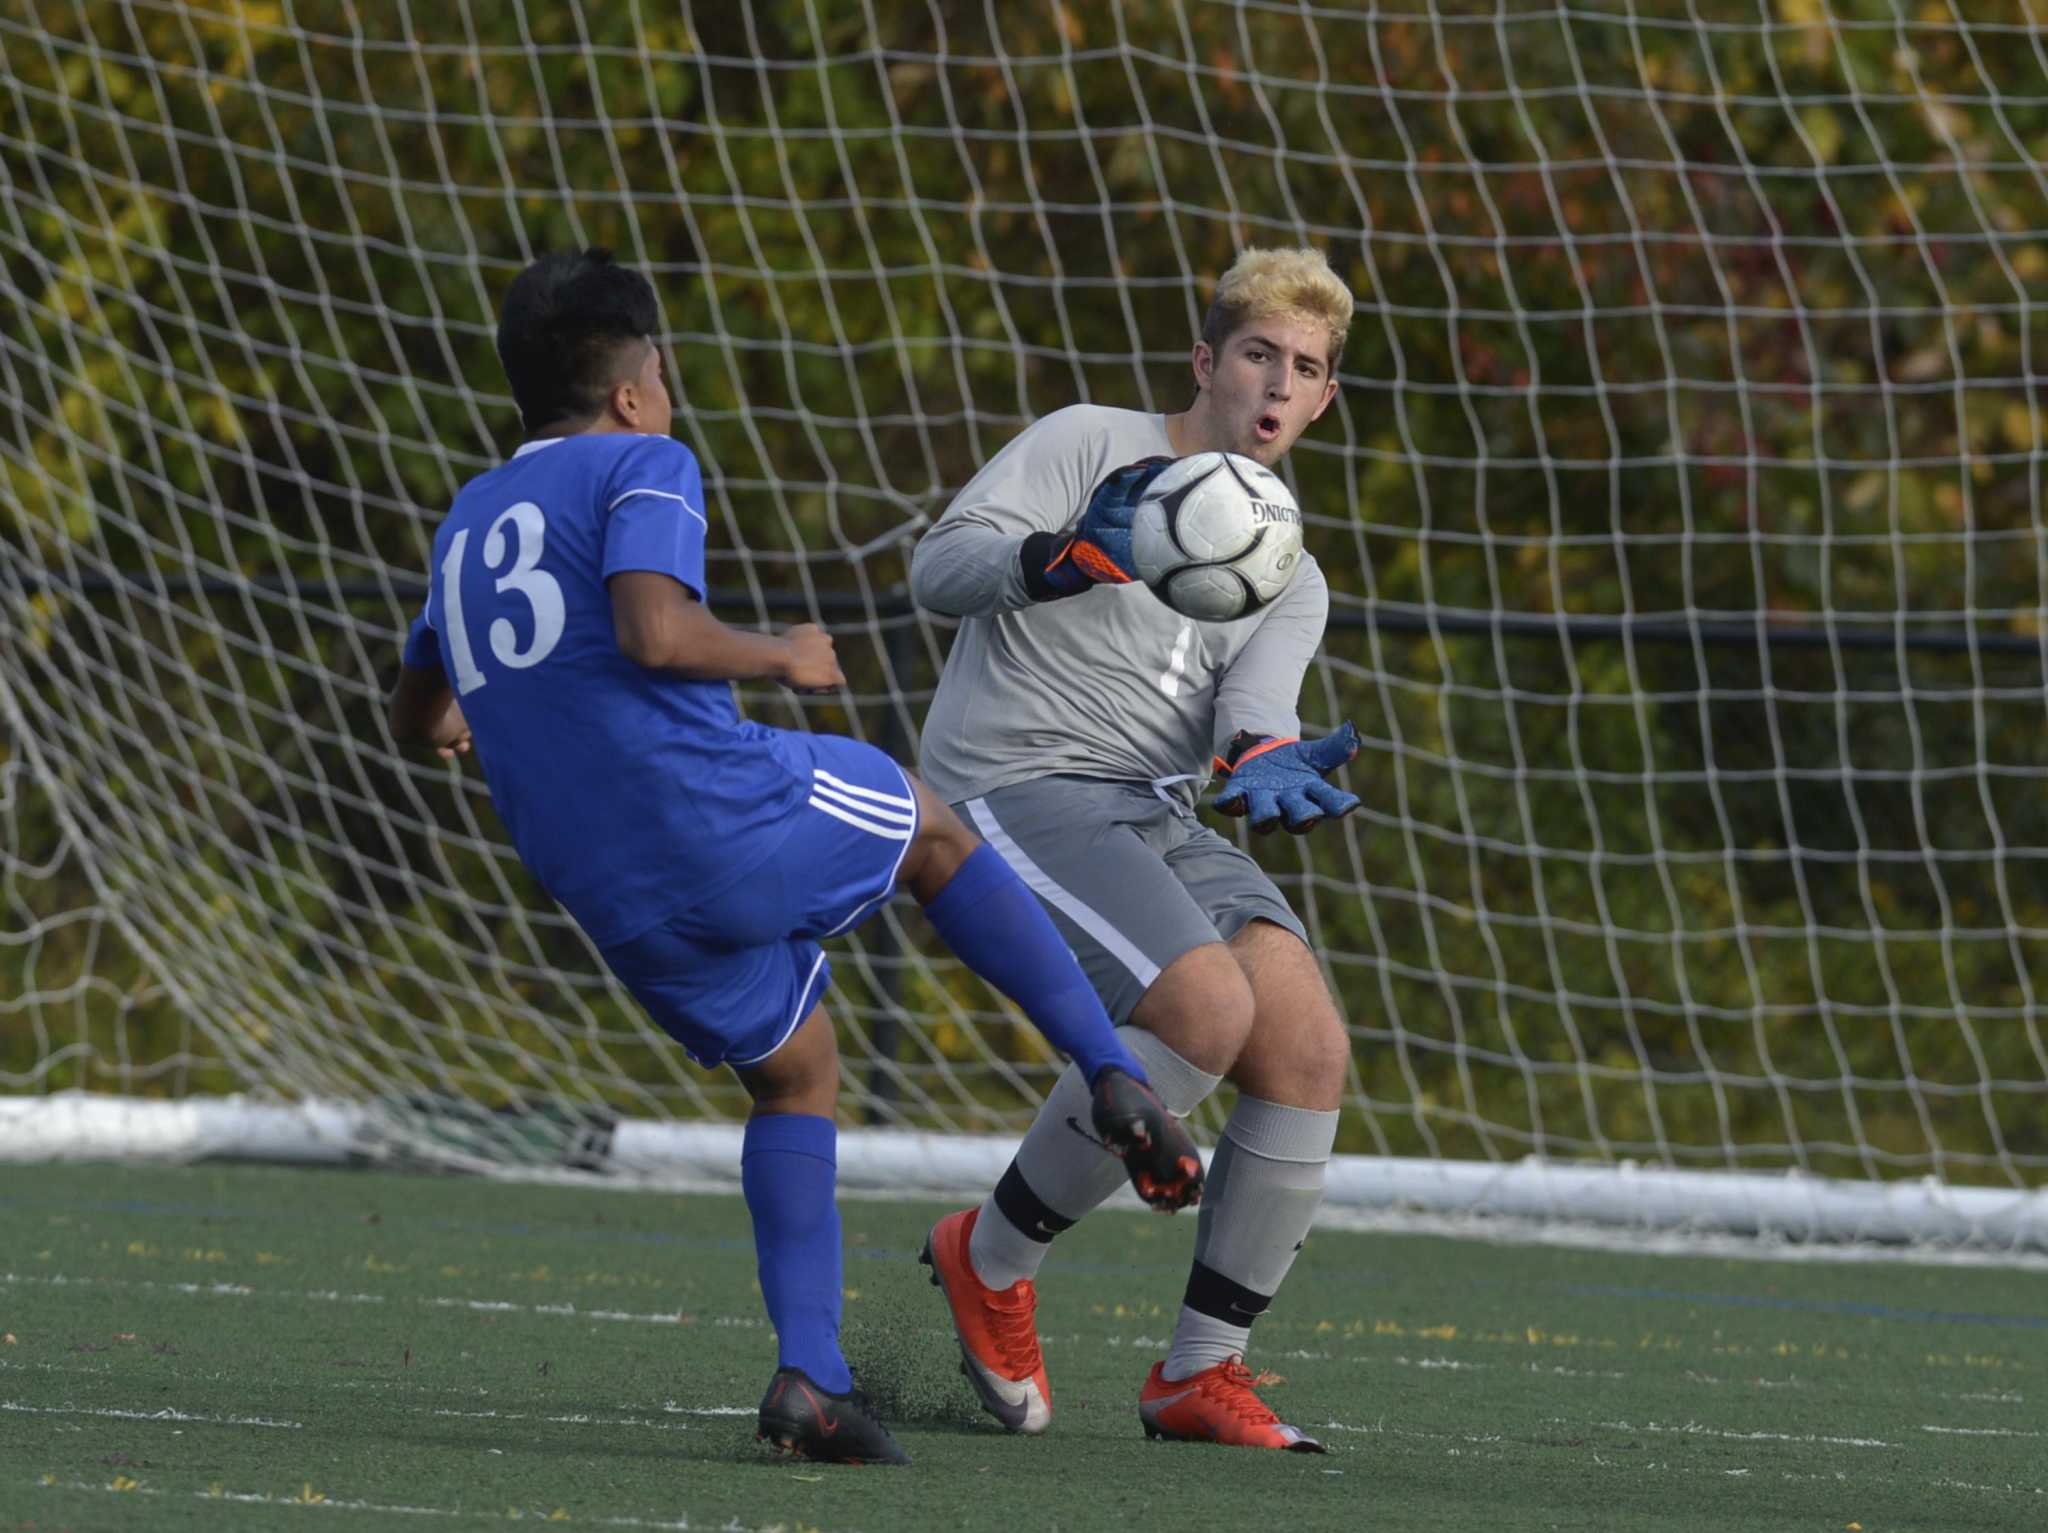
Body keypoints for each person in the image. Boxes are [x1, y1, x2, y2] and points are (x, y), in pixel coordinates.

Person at [385, 248, 1203, 1468]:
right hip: (710, 810)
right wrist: (781, 656)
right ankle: (1106, 1070)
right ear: (629, 387)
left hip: (609, 896)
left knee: (795, 1072)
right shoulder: (643, 461)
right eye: (658, 370)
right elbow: (654, 634)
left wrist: (456, 721)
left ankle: (810, 1380)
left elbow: (414, 709)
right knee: (930, 831)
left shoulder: (464, 525)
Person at [909, 246, 1361, 1452]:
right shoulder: (1084, 443)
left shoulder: (1290, 570)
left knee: (1304, 1044)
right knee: (1200, 1009)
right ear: (1205, 362)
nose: (1276, 385)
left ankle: (1198, 1376)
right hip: (1006, 782)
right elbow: (934, 570)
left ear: (1323, 399)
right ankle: (987, 1259)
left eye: (1304, 368)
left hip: (1144, 803)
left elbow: (1250, 719)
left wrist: (1265, 764)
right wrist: (1056, 558)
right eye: (1258, 353)